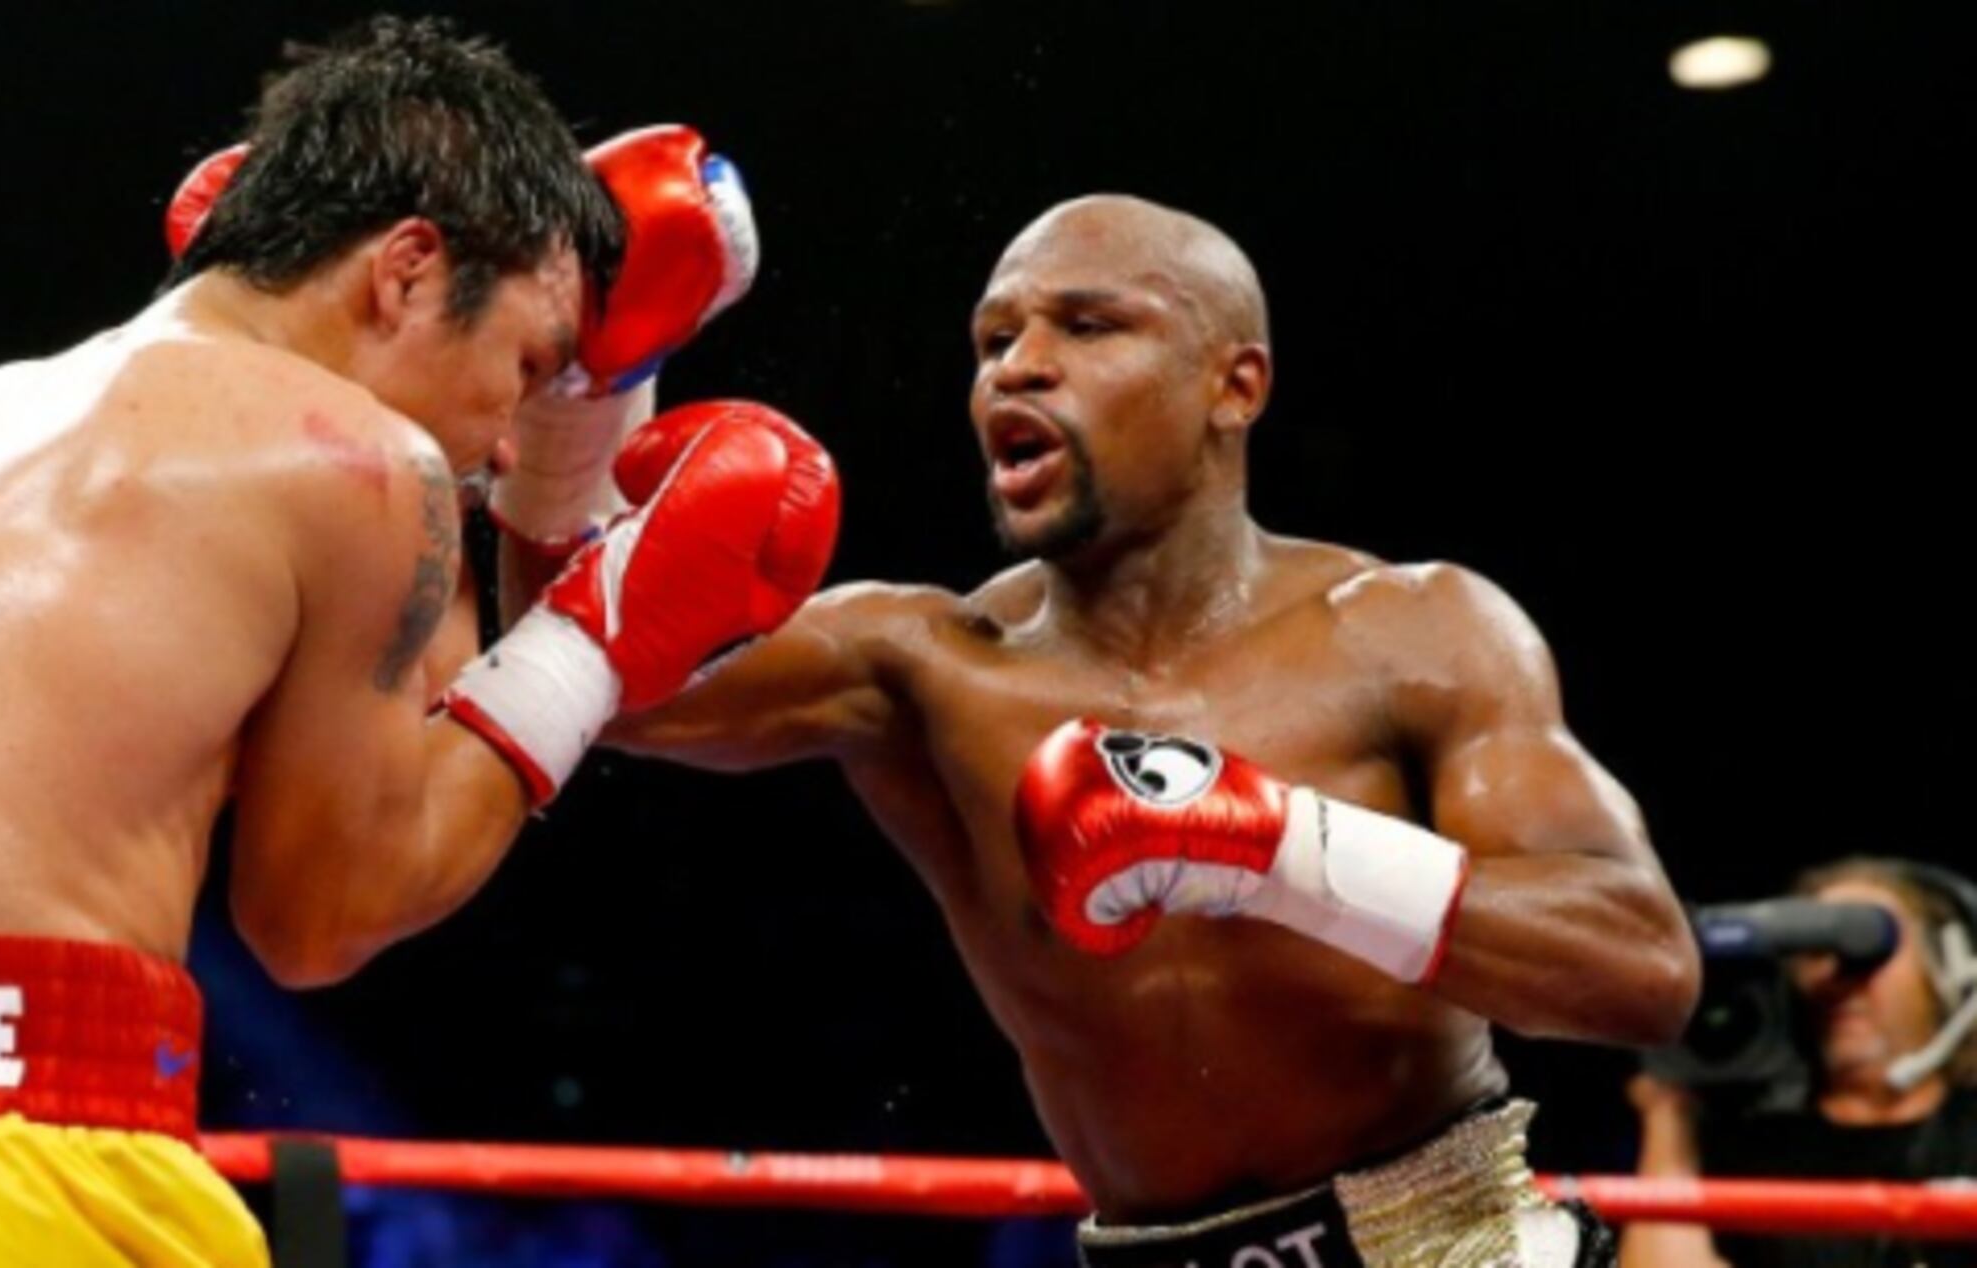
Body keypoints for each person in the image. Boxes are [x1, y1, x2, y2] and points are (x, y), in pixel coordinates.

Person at [0, 17, 835, 1266]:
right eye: (528, 361)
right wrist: (592, 638)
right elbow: (324, 914)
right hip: (2, 1173)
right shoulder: (359, 461)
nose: (508, 435)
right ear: (404, 269)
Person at [606, 194, 1700, 1266]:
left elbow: (1641, 967)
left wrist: (1278, 845)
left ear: (1235, 386)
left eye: (1086, 325)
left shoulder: (1412, 633)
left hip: (1449, 1245)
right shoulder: (919, 662)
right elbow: (594, 679)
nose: (1016, 365)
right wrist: (591, 388)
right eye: (994, 337)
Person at [1624, 857, 1977, 1268]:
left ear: (1947, 969)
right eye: (1814, 953)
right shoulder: (1748, 1153)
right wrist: (1670, 1115)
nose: (1836, 975)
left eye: (1866, 947)